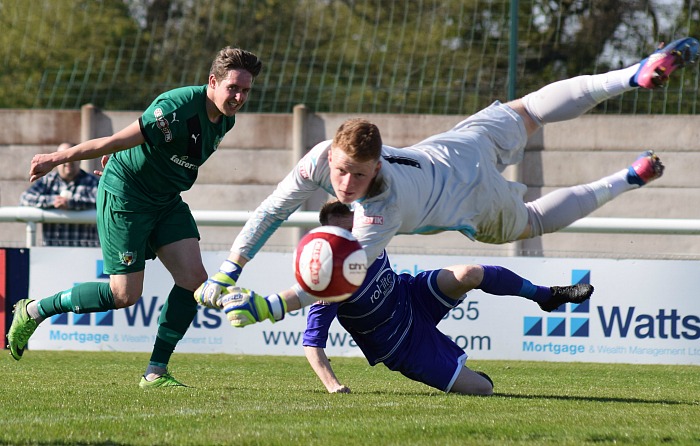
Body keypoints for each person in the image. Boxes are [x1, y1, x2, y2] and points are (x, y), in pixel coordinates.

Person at [194, 37, 699, 308]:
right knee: (531, 111)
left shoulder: (381, 210)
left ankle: (626, 179)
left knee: (531, 223)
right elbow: (270, 211)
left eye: (361, 177)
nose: (348, 186)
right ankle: (631, 75)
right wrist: (228, 269)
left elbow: (338, 280)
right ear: (331, 157)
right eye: (343, 173)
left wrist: (270, 307)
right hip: (454, 148)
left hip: (468, 197)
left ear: (377, 168)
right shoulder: (320, 158)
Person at [6, 47, 263, 389]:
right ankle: (34, 310)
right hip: (127, 197)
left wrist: (120, 154)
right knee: (124, 295)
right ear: (213, 82)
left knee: (194, 280)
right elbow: (115, 139)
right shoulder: (175, 106)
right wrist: (57, 157)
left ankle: (155, 372)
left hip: (166, 201)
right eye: (234, 88)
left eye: (246, 90)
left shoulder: (225, 118)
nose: (239, 97)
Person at [218, 200, 594, 395]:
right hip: (401, 346)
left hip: (413, 296)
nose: (354, 236)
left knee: (470, 273)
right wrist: (333, 385)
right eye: (343, 232)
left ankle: (545, 295)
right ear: (328, 238)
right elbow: (312, 343)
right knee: (485, 390)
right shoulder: (327, 285)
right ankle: (470, 373)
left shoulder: (369, 235)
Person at [19, 143, 100, 247]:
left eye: (72, 157)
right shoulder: (48, 181)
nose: (68, 162)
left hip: (84, 253)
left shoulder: (92, 182)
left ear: (80, 159)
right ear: (56, 161)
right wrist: (52, 201)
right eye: (63, 158)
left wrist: (72, 203)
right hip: (53, 252)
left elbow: (103, 202)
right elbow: (25, 198)